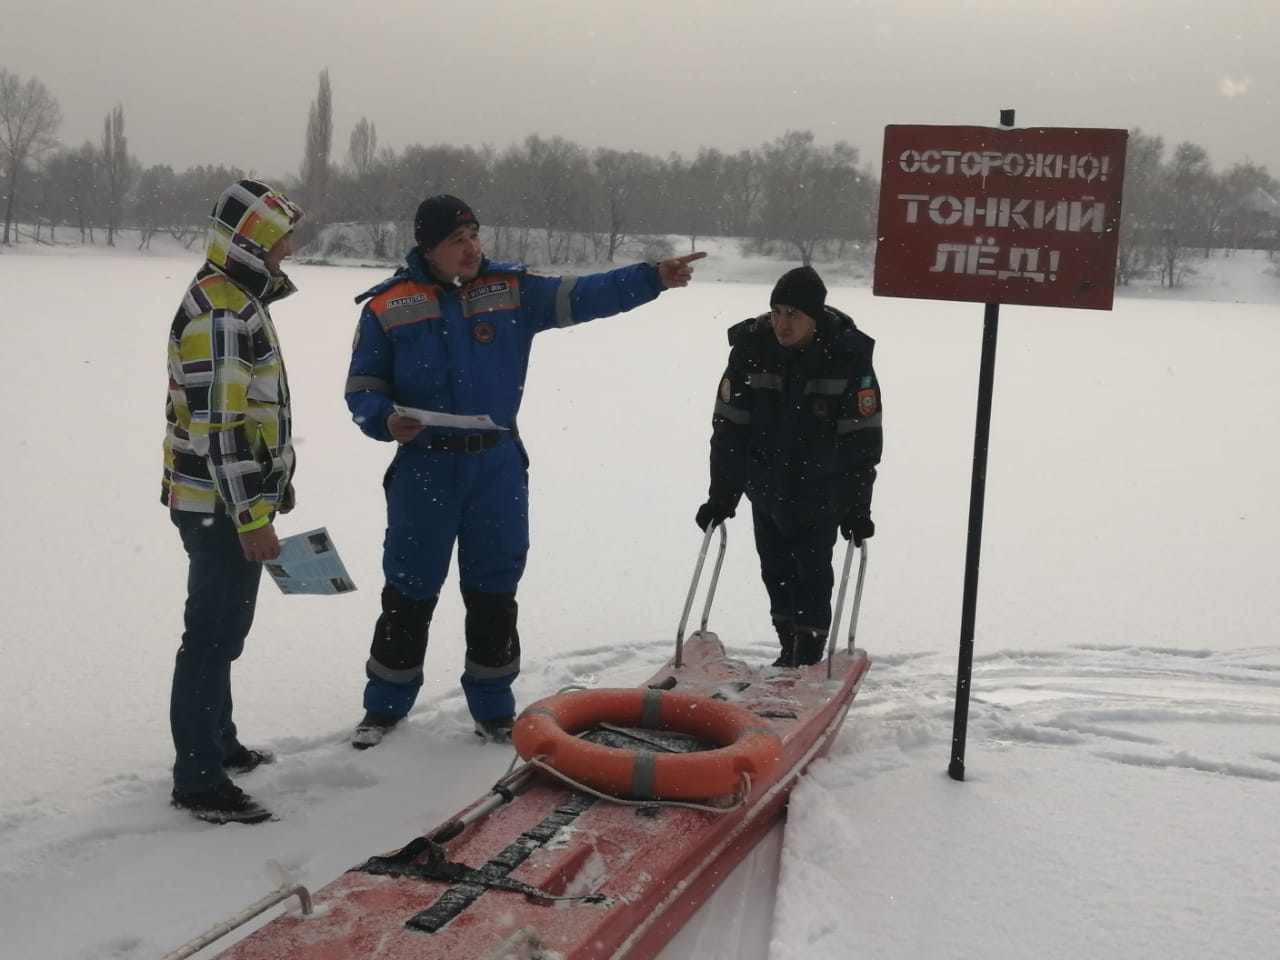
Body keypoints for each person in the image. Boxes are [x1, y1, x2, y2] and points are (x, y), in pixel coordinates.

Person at [345, 194, 705, 749]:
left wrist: (652, 277)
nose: (470, 249)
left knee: (494, 590)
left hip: (497, 468)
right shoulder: (387, 306)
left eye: (474, 236)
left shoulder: (512, 292)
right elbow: (364, 388)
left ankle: (492, 708)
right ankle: (385, 705)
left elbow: (585, 295)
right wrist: (384, 420)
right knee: (409, 590)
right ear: (428, 249)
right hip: (425, 470)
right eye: (455, 241)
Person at [162, 179, 304, 823]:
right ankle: (197, 777)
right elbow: (219, 430)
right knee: (211, 637)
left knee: (224, 634)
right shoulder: (222, 312)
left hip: (226, 500)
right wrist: (250, 514)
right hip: (218, 505)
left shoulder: (236, 297)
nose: (287, 253)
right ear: (247, 244)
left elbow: (254, 413)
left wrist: (274, 484)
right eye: (277, 243)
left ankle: (217, 741)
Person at [695, 266, 882, 668]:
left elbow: (862, 440)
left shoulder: (847, 358)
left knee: (812, 575)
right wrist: (721, 495)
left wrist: (856, 506)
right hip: (765, 486)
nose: (782, 323)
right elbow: (729, 429)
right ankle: (788, 650)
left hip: (821, 488)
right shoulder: (750, 350)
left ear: (815, 317)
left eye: (793, 314)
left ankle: (808, 655)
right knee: (776, 573)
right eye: (777, 311)